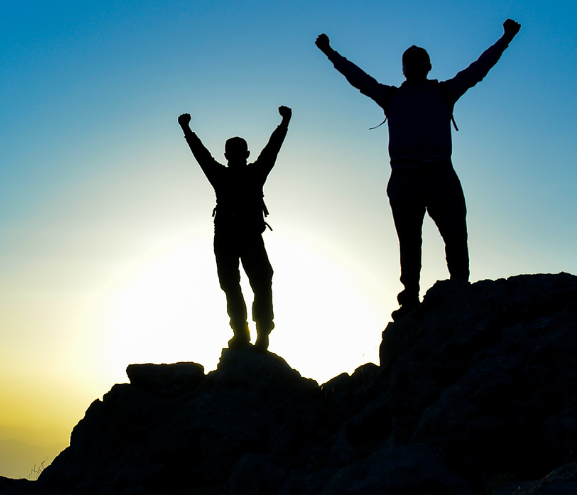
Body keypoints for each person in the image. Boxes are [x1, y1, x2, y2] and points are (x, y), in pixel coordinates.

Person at [315, 19, 521, 318]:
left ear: (427, 66)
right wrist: (329, 52)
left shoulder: (442, 92)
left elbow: (478, 69)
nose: (412, 64)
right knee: (410, 242)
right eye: (408, 61)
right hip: (405, 179)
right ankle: (410, 298)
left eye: (417, 60)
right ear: (404, 68)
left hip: (438, 175)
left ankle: (458, 289)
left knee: (454, 235)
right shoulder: (392, 96)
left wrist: (505, 39)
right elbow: (357, 78)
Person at [177, 106, 291, 350]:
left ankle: (255, 332)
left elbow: (272, 149)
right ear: (233, 155)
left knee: (257, 281)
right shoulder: (239, 174)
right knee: (236, 284)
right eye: (234, 153)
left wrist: (187, 129)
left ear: (235, 155)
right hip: (231, 236)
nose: (236, 157)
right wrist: (187, 130)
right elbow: (202, 155)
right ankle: (244, 332)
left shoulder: (241, 174)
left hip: (241, 236)